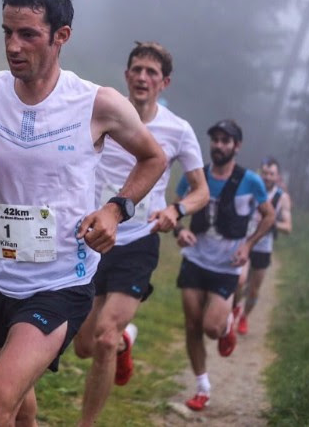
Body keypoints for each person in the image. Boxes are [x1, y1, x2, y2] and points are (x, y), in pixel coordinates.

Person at [0, 0, 166, 426]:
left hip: (60, 281)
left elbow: (153, 158)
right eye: (7, 33)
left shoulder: (98, 104)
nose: (13, 46)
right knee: (17, 410)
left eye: (28, 34)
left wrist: (116, 209)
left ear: (61, 36)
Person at [73, 42, 209, 427]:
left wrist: (176, 209)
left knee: (103, 337)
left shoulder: (178, 130)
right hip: (96, 237)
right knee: (83, 345)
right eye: (137, 69)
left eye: (152, 72)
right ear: (126, 74)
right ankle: (124, 341)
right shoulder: (105, 113)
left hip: (138, 241)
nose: (143, 77)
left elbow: (201, 190)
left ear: (164, 82)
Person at [172, 119, 275, 411]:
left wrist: (248, 245)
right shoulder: (197, 176)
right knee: (192, 325)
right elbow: (175, 208)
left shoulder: (250, 181)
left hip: (227, 265)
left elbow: (268, 215)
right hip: (194, 260)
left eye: (225, 140)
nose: (219, 145)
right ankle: (202, 386)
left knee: (211, 329)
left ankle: (227, 322)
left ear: (236, 146)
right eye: (215, 139)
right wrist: (180, 231)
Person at [234, 156, 292, 335]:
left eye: (271, 174)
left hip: (264, 248)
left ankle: (244, 317)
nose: (267, 177)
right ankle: (234, 307)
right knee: (240, 280)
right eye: (265, 173)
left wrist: (270, 222)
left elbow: (288, 227)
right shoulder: (251, 188)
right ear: (260, 173)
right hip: (245, 243)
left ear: (277, 176)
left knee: (254, 290)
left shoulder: (282, 198)